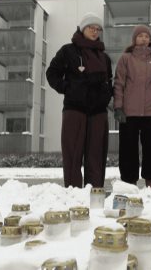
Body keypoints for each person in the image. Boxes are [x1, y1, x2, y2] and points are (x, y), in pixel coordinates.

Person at [46, 13, 113, 188]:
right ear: (83, 28)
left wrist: (106, 95)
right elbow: (52, 73)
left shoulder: (104, 57)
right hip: (74, 109)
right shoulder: (68, 51)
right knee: (73, 154)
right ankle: (73, 193)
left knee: (96, 156)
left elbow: (109, 81)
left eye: (98, 29)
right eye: (91, 27)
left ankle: (95, 193)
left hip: (98, 112)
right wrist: (67, 88)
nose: (95, 31)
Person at [113, 25, 151, 191]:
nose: (144, 38)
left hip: (150, 113)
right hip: (128, 114)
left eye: (146, 36)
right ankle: (129, 183)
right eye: (140, 36)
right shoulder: (125, 58)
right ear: (134, 39)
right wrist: (118, 108)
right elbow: (119, 84)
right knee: (128, 150)